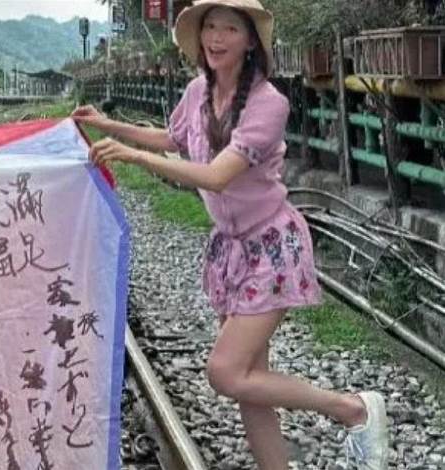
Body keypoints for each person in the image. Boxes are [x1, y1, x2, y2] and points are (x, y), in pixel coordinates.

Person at [72, 1, 388, 469]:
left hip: (271, 248)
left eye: (230, 29)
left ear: (250, 41)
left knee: (225, 372)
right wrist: (106, 123)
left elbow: (217, 176)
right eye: (210, 27)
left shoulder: (268, 103)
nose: (216, 38)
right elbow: (173, 139)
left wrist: (132, 156)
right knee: (249, 384)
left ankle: (353, 408)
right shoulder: (198, 90)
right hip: (231, 251)